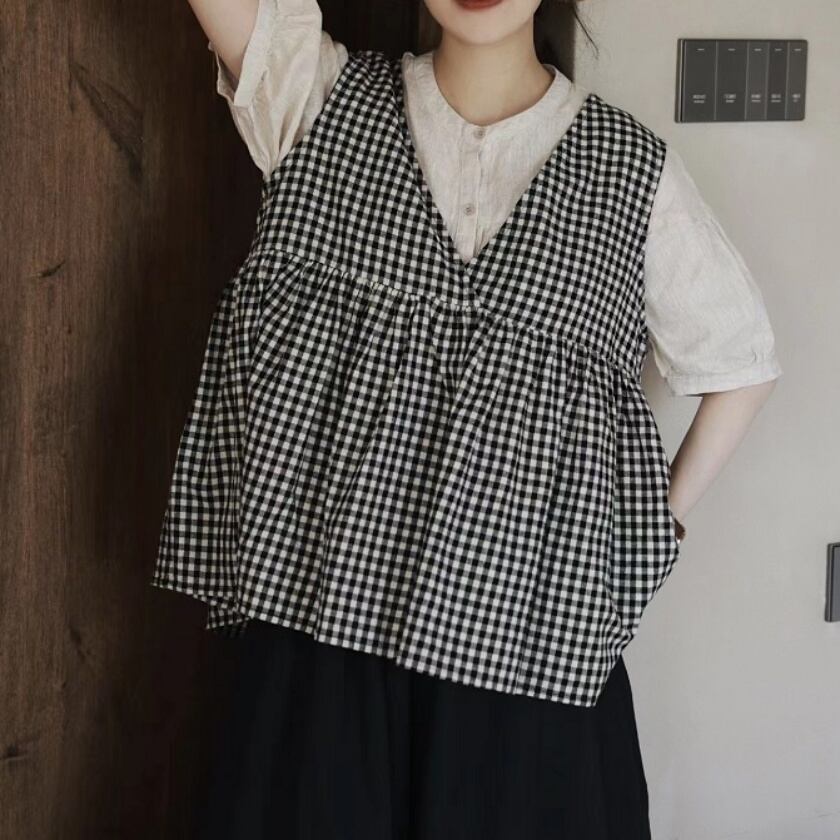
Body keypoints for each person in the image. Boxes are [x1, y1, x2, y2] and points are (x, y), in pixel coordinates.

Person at [150, 0, 783, 837]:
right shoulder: (318, 98)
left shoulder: (630, 172)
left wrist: (639, 538)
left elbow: (740, 362)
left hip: (530, 645)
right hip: (324, 622)